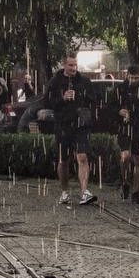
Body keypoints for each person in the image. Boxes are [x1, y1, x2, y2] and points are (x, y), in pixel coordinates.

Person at [47, 54, 96, 205]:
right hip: (63, 125)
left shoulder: (84, 81)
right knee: (63, 160)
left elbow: (93, 99)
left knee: (82, 157)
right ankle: (65, 192)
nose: (73, 68)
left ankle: (84, 193)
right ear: (64, 65)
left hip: (81, 125)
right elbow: (47, 102)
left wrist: (80, 97)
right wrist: (62, 98)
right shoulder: (55, 82)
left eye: (75, 65)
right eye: (70, 65)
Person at [116, 64, 139, 204]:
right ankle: (124, 182)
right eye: (130, 77)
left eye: (136, 78)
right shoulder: (120, 89)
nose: (133, 80)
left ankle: (135, 192)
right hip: (124, 127)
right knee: (125, 157)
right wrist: (119, 111)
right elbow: (111, 106)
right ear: (127, 76)